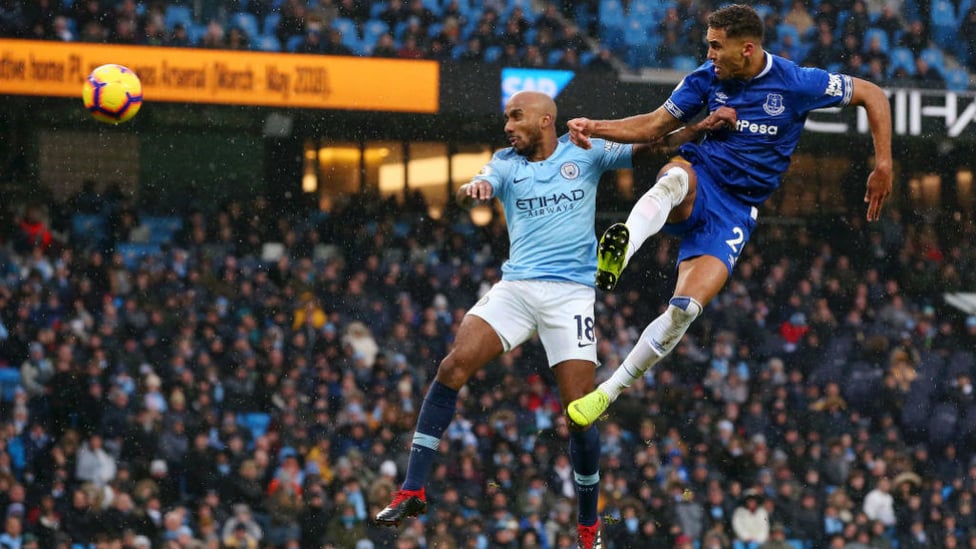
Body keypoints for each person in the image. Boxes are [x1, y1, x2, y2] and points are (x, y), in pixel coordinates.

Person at [564, 3, 892, 427]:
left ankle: (606, 393)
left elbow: (873, 93)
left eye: (717, 47)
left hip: (737, 211)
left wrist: (883, 164)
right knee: (674, 179)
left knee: (685, 310)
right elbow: (653, 126)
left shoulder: (795, 82)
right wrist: (594, 126)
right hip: (703, 176)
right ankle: (620, 251)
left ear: (748, 50)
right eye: (708, 46)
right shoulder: (705, 80)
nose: (709, 55)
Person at [373, 90, 643, 549]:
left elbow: (649, 140)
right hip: (516, 290)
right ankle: (413, 489)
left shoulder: (587, 152)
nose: (507, 126)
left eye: (515, 117)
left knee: (579, 414)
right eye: (505, 118)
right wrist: (472, 189)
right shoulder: (505, 163)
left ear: (544, 120)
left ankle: (588, 526)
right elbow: (479, 181)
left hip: (571, 296)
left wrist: (695, 127)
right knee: (451, 367)